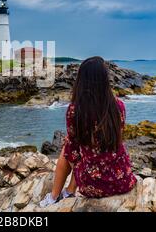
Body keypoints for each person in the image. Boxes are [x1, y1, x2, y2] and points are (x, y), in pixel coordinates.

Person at [40, 56, 137, 207]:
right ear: (105, 79)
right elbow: (117, 136)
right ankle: (68, 192)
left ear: (82, 80)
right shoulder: (119, 106)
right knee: (83, 148)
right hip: (123, 180)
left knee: (68, 147)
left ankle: (54, 197)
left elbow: (72, 151)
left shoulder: (75, 110)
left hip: (92, 186)